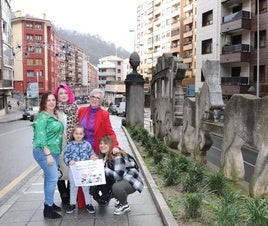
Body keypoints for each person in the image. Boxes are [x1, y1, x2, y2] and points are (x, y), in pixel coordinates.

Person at [78, 88, 120, 207]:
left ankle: (102, 196)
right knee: (82, 175)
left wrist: (115, 146)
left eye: (98, 98)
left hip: (97, 150)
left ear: (101, 101)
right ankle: (82, 202)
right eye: (93, 97)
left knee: (98, 176)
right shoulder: (81, 110)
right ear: (89, 98)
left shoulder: (104, 114)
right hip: (82, 149)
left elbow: (110, 132)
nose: (95, 100)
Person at [32, 92, 64, 219]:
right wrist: (48, 154)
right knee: (53, 178)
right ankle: (48, 209)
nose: (51, 102)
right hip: (44, 152)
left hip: (54, 151)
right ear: (44, 102)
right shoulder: (41, 117)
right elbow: (40, 137)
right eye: (48, 100)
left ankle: (49, 204)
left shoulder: (53, 115)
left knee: (48, 178)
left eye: (53, 100)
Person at [99, 135, 144, 215]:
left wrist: (103, 168)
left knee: (116, 187)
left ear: (110, 145)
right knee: (108, 182)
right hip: (123, 180)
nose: (102, 146)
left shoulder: (117, 156)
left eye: (105, 144)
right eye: (101, 144)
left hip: (131, 182)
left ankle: (124, 205)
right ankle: (120, 199)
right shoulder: (105, 156)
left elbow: (117, 176)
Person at [63, 124, 97, 214]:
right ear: (73, 134)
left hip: (85, 170)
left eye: (80, 133)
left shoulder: (87, 144)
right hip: (73, 169)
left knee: (86, 187)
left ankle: (89, 204)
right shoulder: (70, 145)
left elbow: (92, 153)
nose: (78, 135)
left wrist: (93, 157)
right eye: (76, 133)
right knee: (73, 187)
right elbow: (65, 156)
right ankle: (72, 204)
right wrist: (69, 161)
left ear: (83, 134)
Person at [53, 83, 78, 204]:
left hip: (71, 145)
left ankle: (70, 192)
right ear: (57, 96)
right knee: (59, 169)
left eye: (65, 93)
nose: (63, 95)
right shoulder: (53, 109)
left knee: (71, 169)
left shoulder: (74, 108)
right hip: (57, 145)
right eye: (60, 93)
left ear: (69, 94)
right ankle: (63, 193)